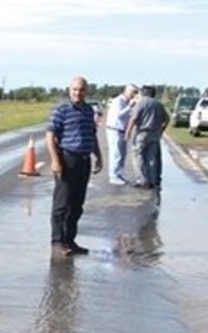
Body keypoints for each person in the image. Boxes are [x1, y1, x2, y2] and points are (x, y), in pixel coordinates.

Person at [45, 76, 102, 256]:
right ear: (70, 91)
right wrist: (55, 160)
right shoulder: (61, 110)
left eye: (81, 90)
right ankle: (57, 241)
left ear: (86, 91)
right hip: (67, 160)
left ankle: (70, 240)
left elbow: (92, 136)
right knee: (62, 204)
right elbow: (49, 136)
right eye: (75, 90)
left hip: (84, 160)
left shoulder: (88, 111)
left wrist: (99, 156)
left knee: (77, 205)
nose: (78, 93)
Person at [125, 85, 169, 189]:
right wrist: (162, 130)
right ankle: (153, 179)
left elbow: (134, 118)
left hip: (142, 132)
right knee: (151, 157)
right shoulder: (158, 104)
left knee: (137, 155)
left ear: (143, 93)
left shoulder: (141, 103)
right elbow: (167, 119)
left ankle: (142, 179)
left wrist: (128, 131)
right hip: (155, 133)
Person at [104, 84, 139, 185]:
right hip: (115, 129)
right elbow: (119, 114)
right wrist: (130, 106)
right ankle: (113, 176)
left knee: (122, 153)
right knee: (116, 153)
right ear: (128, 91)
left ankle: (119, 174)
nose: (135, 95)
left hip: (122, 130)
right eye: (134, 92)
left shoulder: (126, 102)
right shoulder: (118, 101)